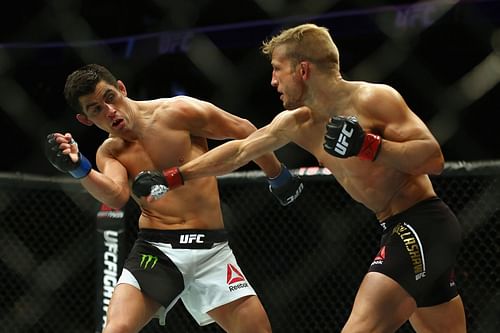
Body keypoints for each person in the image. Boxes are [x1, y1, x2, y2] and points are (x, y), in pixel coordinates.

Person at [134, 24, 467, 333]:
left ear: (303, 69)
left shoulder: (373, 98)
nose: (273, 81)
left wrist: (368, 145)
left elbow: (432, 159)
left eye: (278, 69)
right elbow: (240, 151)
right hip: (394, 228)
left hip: (421, 225)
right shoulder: (298, 123)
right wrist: (174, 177)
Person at [44, 63, 304, 333]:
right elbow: (117, 195)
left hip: (212, 252)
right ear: (86, 120)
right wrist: (79, 168)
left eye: (109, 98)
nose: (110, 112)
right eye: (96, 109)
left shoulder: (177, 112)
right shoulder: (110, 151)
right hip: (157, 252)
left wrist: (277, 174)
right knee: (117, 329)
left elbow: (243, 129)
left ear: (121, 89)